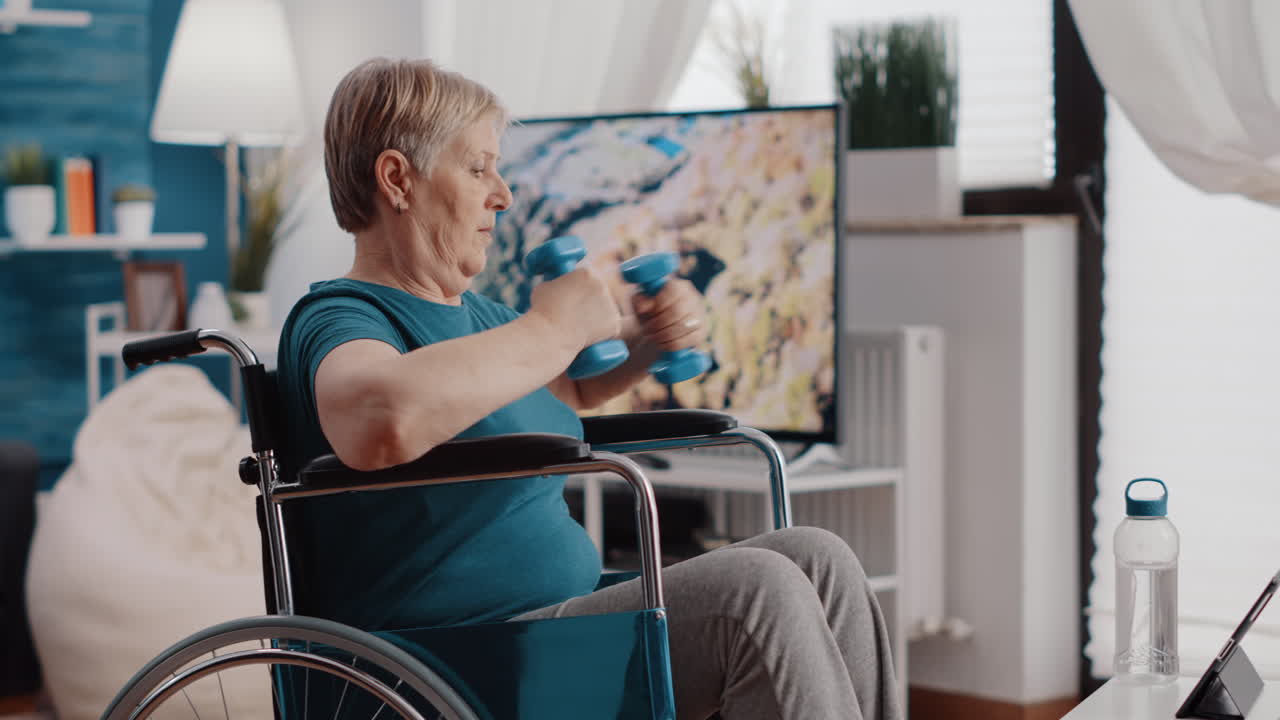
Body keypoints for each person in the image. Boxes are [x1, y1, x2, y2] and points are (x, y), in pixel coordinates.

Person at [276, 57, 902, 720]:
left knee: (820, 559)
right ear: (399, 178)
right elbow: (380, 420)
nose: (503, 194)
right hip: (442, 666)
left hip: (546, 638)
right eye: (479, 167)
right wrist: (552, 326)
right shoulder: (343, 316)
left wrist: (644, 346)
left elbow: (555, 397)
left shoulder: (478, 317)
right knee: (758, 594)